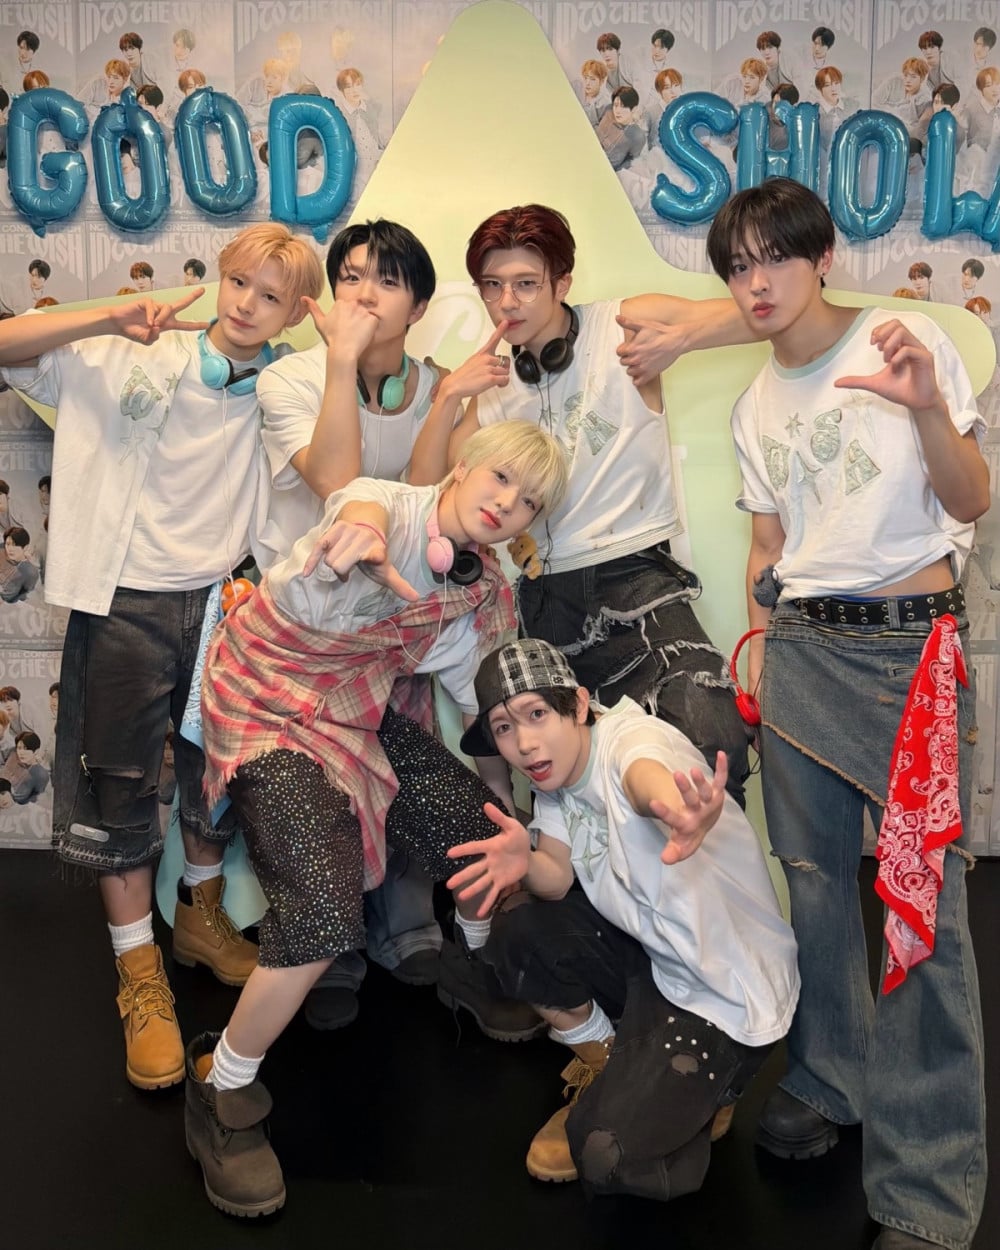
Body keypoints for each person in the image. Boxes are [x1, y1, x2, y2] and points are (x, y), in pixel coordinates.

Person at [183, 419, 569, 1217]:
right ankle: (221, 1087)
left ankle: (472, 969)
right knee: (323, 914)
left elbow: (484, 706)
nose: (508, 503)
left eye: (530, 500)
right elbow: (358, 511)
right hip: (266, 702)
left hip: (353, 708)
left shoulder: (482, 590)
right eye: (500, 477)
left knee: (478, 829)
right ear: (462, 466)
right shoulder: (382, 509)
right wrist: (357, 535)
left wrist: (508, 808)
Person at [705, 177, 988, 1250]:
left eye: (774, 257)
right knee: (815, 884)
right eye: (737, 266)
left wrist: (923, 406)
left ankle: (928, 1188)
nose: (756, 282)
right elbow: (768, 549)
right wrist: (760, 665)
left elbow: (969, 501)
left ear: (821, 256)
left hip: (907, 652)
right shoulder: (752, 404)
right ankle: (833, 1075)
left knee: (921, 913)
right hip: (800, 655)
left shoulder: (901, 343)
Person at [0, 222, 324, 1093]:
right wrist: (106, 317)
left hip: (228, 602)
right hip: (126, 603)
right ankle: (138, 973)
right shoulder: (129, 351)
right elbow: (7, 345)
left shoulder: (292, 387)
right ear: (220, 277)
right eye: (240, 283)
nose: (248, 306)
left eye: (273, 297)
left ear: (298, 311)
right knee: (121, 785)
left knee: (216, 773)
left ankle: (200, 921)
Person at [410, 202, 753, 817]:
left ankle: (703, 868)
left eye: (525, 283)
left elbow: (759, 313)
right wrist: (449, 397)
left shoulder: (623, 325)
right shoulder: (493, 386)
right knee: (573, 782)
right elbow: (425, 492)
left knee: (709, 727)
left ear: (562, 282)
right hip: (544, 594)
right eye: (491, 285)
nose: (506, 302)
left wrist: (680, 339)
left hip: (635, 572)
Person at [256, 218, 511, 1031]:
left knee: (406, 764)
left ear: (420, 305)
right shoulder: (290, 378)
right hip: (308, 628)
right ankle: (330, 949)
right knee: (318, 788)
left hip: (397, 617)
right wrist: (339, 361)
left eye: (389, 279)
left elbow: (433, 501)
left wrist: (448, 401)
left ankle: (406, 926)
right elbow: (338, 483)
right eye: (353, 276)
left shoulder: (441, 381)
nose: (366, 292)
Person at [444, 637, 799, 1197]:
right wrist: (524, 863)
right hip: (658, 961)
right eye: (504, 728)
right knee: (518, 934)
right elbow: (555, 875)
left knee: (602, 1153)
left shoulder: (627, 739)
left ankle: (708, 1093)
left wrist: (675, 810)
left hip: (728, 989)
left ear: (579, 704)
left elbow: (643, 778)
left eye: (537, 714)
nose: (524, 744)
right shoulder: (555, 783)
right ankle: (619, 1070)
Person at [0, 524, 39, 601]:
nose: (10, 549)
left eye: (15, 545)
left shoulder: (30, 572)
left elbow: (25, 592)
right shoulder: (2, 549)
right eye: (8, 544)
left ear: (25, 547)